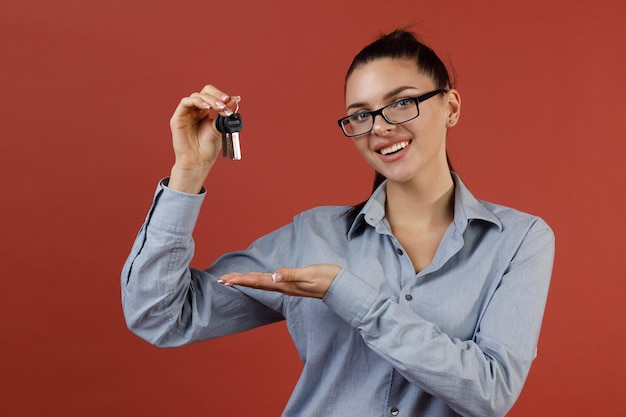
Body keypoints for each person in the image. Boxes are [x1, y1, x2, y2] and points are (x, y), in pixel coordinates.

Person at [121, 29, 555, 417]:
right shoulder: (313, 236)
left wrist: (349, 295)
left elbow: (490, 393)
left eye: (401, 103)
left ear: (451, 106)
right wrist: (188, 173)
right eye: (361, 114)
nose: (380, 127)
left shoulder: (518, 240)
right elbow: (160, 316)